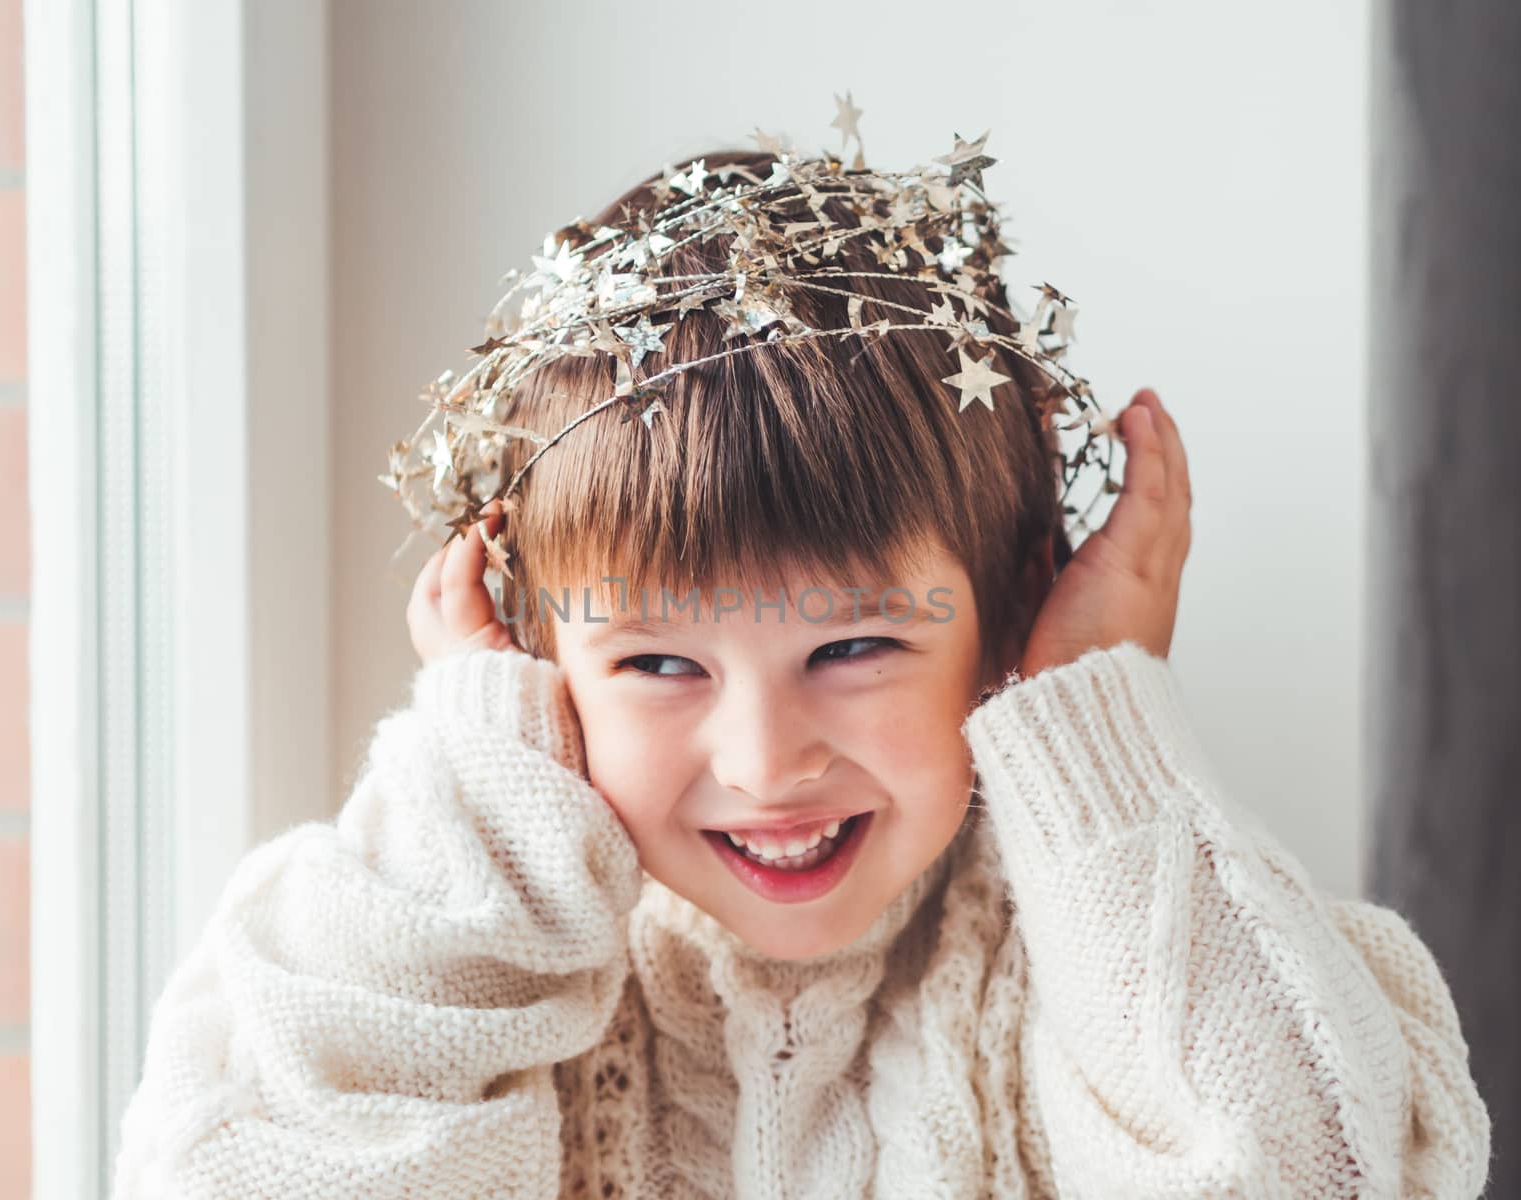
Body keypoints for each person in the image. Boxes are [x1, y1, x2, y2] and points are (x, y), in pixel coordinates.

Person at [111, 135, 1491, 1198]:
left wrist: (1096, 728)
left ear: (1011, 616)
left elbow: (1327, 1166)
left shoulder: (1112, 957)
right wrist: (484, 799)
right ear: (533, 652)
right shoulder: (434, 949)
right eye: (657, 663)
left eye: (854, 645)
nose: (767, 762)